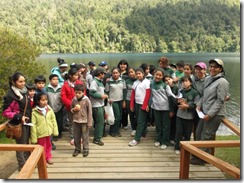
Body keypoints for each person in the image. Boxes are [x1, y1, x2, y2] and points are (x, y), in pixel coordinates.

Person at [190, 58, 229, 165]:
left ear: (220, 69)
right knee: (198, 133)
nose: (212, 68)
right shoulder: (208, 79)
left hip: (215, 114)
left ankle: (201, 159)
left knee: (206, 136)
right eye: (211, 66)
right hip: (204, 112)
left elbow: (220, 101)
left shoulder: (223, 82)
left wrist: (210, 114)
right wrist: (199, 105)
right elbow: (204, 95)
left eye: (215, 67)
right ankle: (198, 154)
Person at [2, 72, 32, 171]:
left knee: (26, 143)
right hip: (18, 123)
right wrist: (19, 117)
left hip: (27, 122)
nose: (23, 83)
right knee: (20, 145)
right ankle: (22, 166)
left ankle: (28, 162)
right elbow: (6, 112)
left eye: (24, 81)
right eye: (20, 82)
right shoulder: (10, 95)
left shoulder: (24, 91)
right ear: (14, 82)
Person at [31, 92, 59, 165]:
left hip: (49, 132)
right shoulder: (34, 112)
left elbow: (54, 120)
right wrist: (34, 138)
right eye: (42, 100)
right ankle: (42, 160)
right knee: (42, 147)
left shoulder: (49, 109)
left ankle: (48, 157)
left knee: (49, 145)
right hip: (40, 133)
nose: (45, 102)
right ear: (38, 101)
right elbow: (33, 125)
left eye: (46, 100)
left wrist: (55, 131)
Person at [174, 76, 199, 155]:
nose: (184, 83)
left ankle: (186, 148)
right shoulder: (180, 91)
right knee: (179, 132)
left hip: (189, 117)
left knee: (187, 133)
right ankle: (177, 147)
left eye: (186, 81)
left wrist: (187, 106)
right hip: (179, 115)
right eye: (183, 82)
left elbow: (196, 105)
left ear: (190, 82)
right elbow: (177, 102)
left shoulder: (195, 92)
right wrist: (178, 102)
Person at [150, 68, 174, 150]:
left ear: (162, 76)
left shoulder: (165, 85)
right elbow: (151, 96)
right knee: (158, 125)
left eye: (160, 75)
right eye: (156, 74)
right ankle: (158, 139)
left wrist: (171, 110)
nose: (158, 76)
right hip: (156, 108)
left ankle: (165, 141)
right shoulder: (152, 84)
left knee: (165, 126)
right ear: (154, 75)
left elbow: (170, 97)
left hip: (165, 109)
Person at [61, 68, 85, 145]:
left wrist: (80, 104)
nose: (77, 76)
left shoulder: (80, 83)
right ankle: (73, 137)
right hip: (70, 107)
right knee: (71, 122)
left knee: (80, 122)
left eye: (78, 75)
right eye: (75, 75)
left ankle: (80, 136)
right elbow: (63, 97)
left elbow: (84, 94)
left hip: (80, 107)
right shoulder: (65, 85)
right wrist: (71, 104)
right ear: (70, 76)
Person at [129, 68, 151, 146]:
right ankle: (143, 135)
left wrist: (145, 105)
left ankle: (136, 139)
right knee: (141, 120)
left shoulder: (147, 82)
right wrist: (131, 105)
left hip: (143, 104)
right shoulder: (135, 83)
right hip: (137, 104)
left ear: (143, 74)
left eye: (139, 73)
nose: (138, 75)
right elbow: (132, 95)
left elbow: (148, 94)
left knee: (140, 122)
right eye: (137, 74)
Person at [71, 84, 92, 157]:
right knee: (76, 136)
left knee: (85, 136)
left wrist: (89, 122)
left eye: (79, 93)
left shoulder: (86, 100)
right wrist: (74, 110)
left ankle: (86, 149)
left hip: (84, 121)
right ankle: (77, 149)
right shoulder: (73, 100)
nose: (77, 94)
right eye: (76, 92)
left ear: (83, 92)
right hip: (76, 121)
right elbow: (71, 109)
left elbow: (89, 112)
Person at [89, 67, 108, 146]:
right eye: (103, 73)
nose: (104, 75)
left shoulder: (100, 81)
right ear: (100, 73)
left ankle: (100, 134)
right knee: (99, 122)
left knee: (101, 121)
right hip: (96, 106)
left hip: (100, 104)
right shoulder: (94, 82)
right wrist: (101, 96)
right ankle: (97, 139)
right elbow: (91, 93)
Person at [105, 67, 126, 137]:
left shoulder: (122, 81)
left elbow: (124, 91)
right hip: (113, 101)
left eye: (116, 73)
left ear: (119, 73)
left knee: (119, 117)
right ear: (111, 73)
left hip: (120, 100)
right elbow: (106, 92)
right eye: (113, 73)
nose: (115, 74)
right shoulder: (109, 81)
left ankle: (116, 130)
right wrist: (108, 100)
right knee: (116, 117)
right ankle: (113, 132)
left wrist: (124, 101)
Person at [46, 74, 63, 140]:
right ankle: (53, 134)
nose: (56, 81)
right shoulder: (47, 88)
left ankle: (59, 133)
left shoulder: (61, 88)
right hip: (50, 108)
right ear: (50, 81)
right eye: (54, 79)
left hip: (59, 107)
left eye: (57, 79)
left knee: (59, 121)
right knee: (52, 121)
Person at [164, 75, 179, 144]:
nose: (168, 81)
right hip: (166, 108)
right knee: (168, 123)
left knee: (174, 124)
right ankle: (167, 137)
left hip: (175, 108)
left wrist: (172, 110)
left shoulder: (176, 87)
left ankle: (172, 138)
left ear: (172, 79)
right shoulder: (165, 88)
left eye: (169, 79)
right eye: (166, 80)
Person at [124, 67, 137, 136]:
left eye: (132, 72)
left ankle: (140, 129)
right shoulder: (127, 81)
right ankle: (133, 129)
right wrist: (124, 101)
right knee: (131, 115)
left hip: (137, 100)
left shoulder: (138, 80)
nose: (130, 73)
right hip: (129, 99)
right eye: (129, 72)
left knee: (138, 115)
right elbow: (125, 92)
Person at [117, 59, 129, 130]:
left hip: (125, 94)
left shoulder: (128, 74)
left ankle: (125, 124)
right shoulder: (116, 73)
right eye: (121, 64)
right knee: (118, 110)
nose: (123, 65)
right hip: (117, 94)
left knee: (124, 110)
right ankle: (118, 123)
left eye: (124, 64)